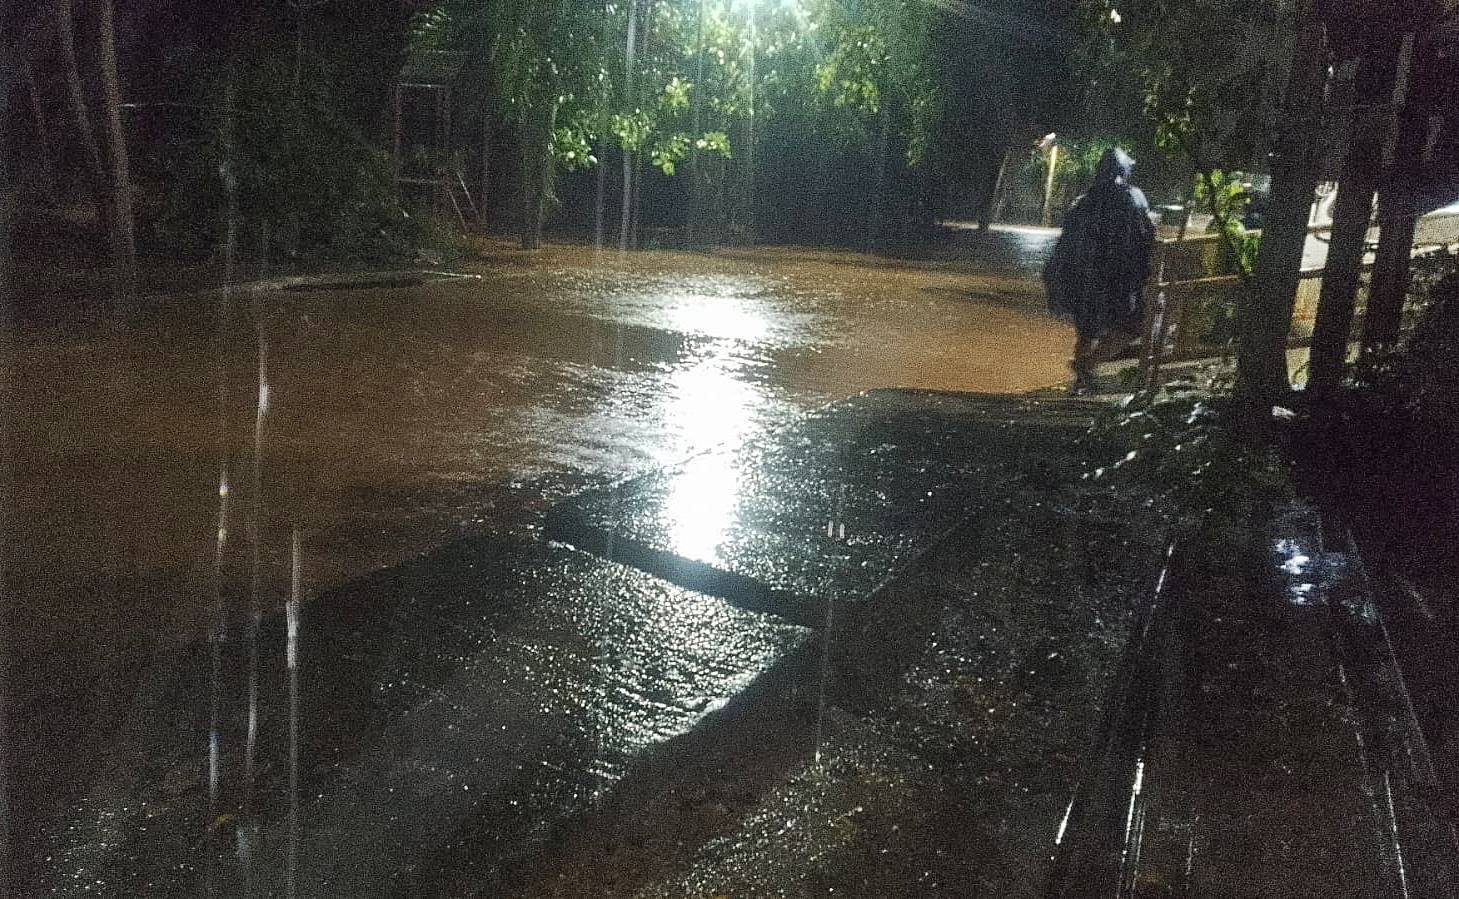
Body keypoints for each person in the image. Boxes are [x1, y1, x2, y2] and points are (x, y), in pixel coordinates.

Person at [1042, 147, 1156, 394]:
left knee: (1087, 331)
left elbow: (1065, 245)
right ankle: (1088, 365)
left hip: (1084, 279)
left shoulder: (1084, 202)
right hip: (1118, 279)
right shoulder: (1134, 197)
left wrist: (1059, 279)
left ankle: (1082, 376)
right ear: (1124, 172)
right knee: (1134, 325)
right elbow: (1146, 238)